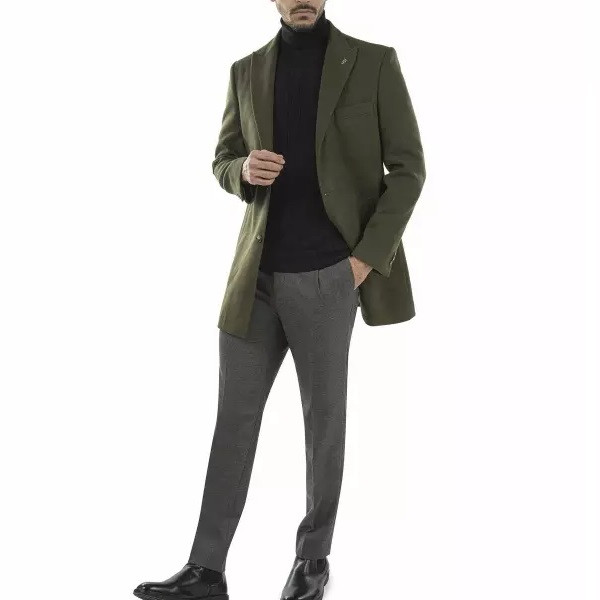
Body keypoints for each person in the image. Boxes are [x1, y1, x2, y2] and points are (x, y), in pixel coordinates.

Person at [134, 1, 425, 599]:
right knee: (232, 424)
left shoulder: (374, 63)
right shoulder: (245, 71)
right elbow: (222, 160)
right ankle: (206, 570)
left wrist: (363, 261)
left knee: (323, 425)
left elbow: (409, 170)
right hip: (255, 279)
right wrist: (243, 169)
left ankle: (311, 560)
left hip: (328, 276)